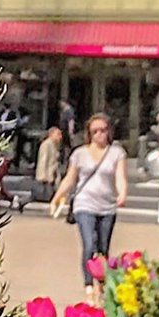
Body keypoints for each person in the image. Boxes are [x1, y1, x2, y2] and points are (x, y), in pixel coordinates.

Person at [54, 110, 128, 276]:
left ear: (109, 131)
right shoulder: (79, 154)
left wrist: (122, 194)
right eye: (95, 131)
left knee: (102, 249)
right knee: (89, 245)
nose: (99, 134)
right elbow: (70, 179)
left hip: (107, 206)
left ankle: (100, 285)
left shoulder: (117, 153)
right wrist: (58, 196)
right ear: (89, 133)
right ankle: (88, 286)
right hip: (84, 204)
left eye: (103, 130)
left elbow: (120, 177)